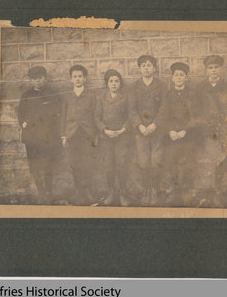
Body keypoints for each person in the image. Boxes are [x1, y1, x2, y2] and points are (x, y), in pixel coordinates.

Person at [194, 55, 227, 205]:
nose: (213, 70)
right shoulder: (200, 87)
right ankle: (213, 189)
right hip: (208, 130)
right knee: (212, 158)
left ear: (220, 69)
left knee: (223, 157)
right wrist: (204, 121)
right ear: (206, 70)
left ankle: (220, 188)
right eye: (210, 68)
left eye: (216, 67)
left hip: (225, 128)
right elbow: (195, 109)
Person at [18, 66, 61, 204]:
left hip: (48, 137)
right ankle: (41, 192)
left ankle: (49, 192)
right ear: (31, 80)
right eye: (34, 79)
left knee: (48, 164)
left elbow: (58, 114)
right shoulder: (26, 95)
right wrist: (23, 123)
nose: (38, 81)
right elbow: (21, 114)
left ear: (45, 78)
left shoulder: (53, 93)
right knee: (35, 165)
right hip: (32, 138)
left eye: (40, 78)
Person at [128, 54, 167, 205]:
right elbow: (131, 110)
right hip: (141, 131)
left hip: (157, 129)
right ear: (139, 69)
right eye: (143, 65)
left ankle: (155, 191)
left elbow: (164, 108)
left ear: (154, 68)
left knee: (156, 161)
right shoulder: (134, 87)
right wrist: (139, 125)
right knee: (143, 162)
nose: (146, 68)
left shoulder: (162, 86)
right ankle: (146, 191)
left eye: (149, 65)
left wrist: (155, 124)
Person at [60, 64, 98, 206]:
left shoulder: (91, 96)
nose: (77, 79)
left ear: (85, 78)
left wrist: (95, 135)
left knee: (87, 163)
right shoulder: (67, 97)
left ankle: (87, 193)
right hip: (72, 135)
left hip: (87, 134)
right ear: (71, 79)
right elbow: (62, 117)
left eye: (80, 76)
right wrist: (63, 135)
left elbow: (96, 116)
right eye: (75, 77)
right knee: (74, 163)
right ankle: (78, 193)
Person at [94, 69, 130, 206]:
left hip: (122, 136)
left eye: (116, 81)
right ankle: (111, 192)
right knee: (109, 165)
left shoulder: (125, 97)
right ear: (107, 83)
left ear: (120, 83)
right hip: (106, 137)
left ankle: (123, 193)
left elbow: (130, 115)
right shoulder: (101, 98)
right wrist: (104, 130)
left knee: (122, 164)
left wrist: (123, 129)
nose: (114, 84)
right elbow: (96, 117)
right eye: (111, 81)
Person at [164, 62, 197, 205]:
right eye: (176, 75)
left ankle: (187, 191)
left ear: (186, 78)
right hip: (172, 135)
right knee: (172, 162)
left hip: (188, 135)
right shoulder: (167, 94)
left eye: (182, 75)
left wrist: (185, 130)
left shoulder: (193, 94)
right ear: (172, 78)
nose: (179, 77)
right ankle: (175, 192)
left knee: (188, 163)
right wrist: (170, 130)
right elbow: (164, 114)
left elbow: (196, 115)